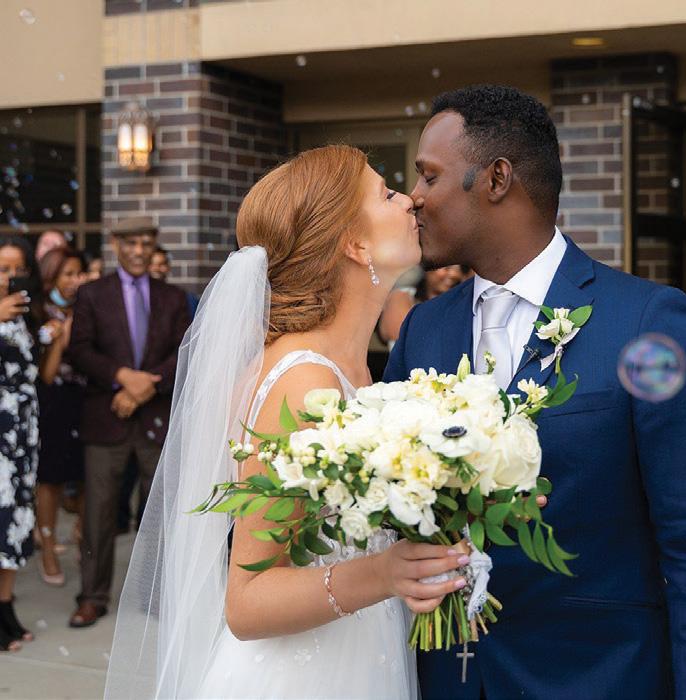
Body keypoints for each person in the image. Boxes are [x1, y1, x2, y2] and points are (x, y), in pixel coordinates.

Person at [384, 85, 686, 699]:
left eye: (429, 175)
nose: (414, 196)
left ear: (496, 178)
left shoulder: (644, 319)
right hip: (449, 679)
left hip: (599, 678)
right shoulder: (424, 329)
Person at [105, 146, 468, 699]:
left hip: (362, 655)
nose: (410, 200)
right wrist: (385, 573)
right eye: (387, 193)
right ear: (355, 244)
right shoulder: (302, 380)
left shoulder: (350, 369)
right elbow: (247, 603)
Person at [66, 217, 190, 629]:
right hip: (106, 418)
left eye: (146, 244)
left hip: (155, 417)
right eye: (131, 243)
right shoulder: (91, 294)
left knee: (156, 514)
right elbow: (79, 350)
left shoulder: (172, 297)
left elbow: (185, 349)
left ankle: (152, 594)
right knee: (98, 514)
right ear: (116, 244)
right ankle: (92, 597)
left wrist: (145, 386)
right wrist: (122, 377)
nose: (139, 251)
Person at [0, 236, 63, 651]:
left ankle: (5, 607)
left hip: (23, 432)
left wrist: (56, 339)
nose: (10, 277)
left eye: (18, 268)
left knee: (17, 521)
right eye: (2, 268)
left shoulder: (26, 314)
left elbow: (44, 376)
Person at [35, 248, 88, 587]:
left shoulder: (88, 307)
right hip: (52, 401)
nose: (75, 281)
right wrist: (59, 340)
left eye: (79, 273)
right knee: (51, 477)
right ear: (51, 276)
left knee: (84, 474)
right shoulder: (40, 311)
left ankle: (83, 535)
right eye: (67, 274)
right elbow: (47, 374)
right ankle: (48, 547)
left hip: (86, 398)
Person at [378, 265, 468, 346]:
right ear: (426, 268)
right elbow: (402, 334)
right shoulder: (403, 296)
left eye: (461, 269)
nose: (454, 274)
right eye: (446, 268)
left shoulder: (459, 304)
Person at [148, 245, 199, 319]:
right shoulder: (136, 296)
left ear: (168, 266)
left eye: (162, 264)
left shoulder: (186, 299)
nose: (156, 268)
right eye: (152, 264)